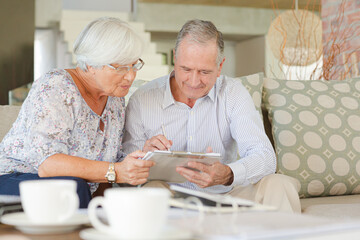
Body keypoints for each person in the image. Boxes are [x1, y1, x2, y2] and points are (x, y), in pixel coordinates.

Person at [123, 19, 301, 213]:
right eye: (186, 69)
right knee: (151, 191)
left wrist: (229, 174)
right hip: (170, 196)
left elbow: (265, 157)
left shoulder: (233, 93)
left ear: (220, 66)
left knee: (279, 184)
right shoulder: (142, 99)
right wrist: (143, 154)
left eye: (204, 72)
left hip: (226, 196)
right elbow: (125, 173)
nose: (193, 81)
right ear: (175, 58)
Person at [0, 17, 155, 208]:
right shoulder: (56, 87)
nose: (131, 76)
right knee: (72, 188)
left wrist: (145, 156)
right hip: (14, 180)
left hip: (74, 189)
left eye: (134, 65)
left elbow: (106, 167)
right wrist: (115, 171)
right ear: (91, 64)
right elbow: (49, 165)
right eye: (120, 67)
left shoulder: (115, 98)